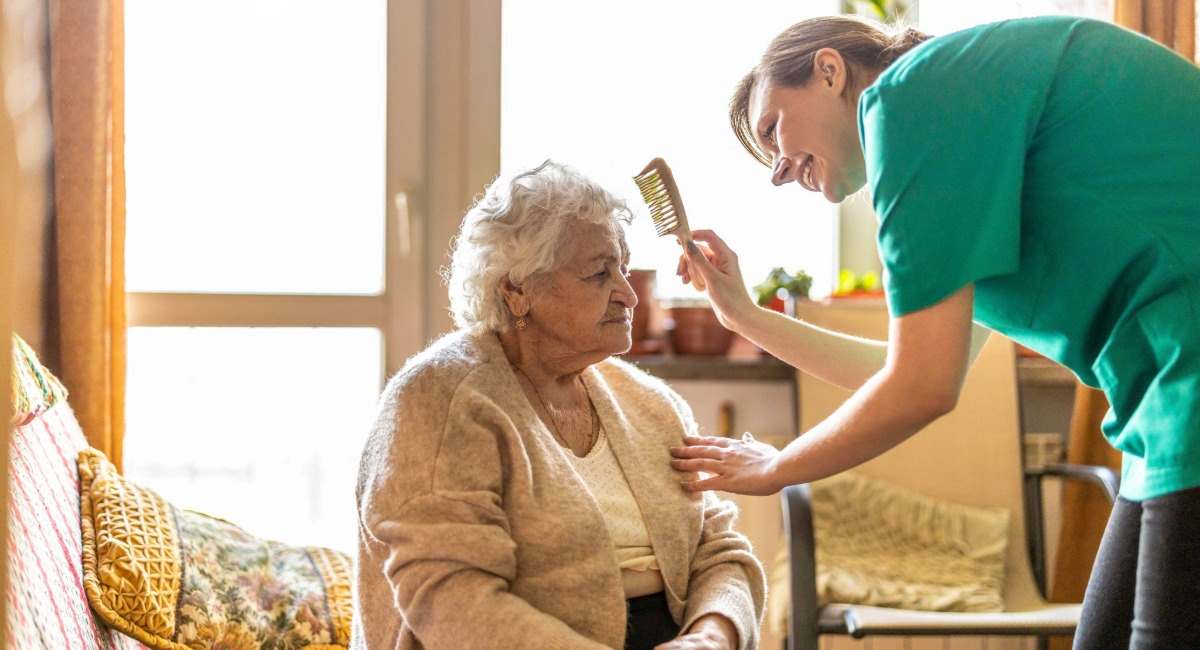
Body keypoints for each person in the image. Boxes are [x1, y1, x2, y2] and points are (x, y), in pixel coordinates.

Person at [668, 14, 1200, 648]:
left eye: (772, 130)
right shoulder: (958, 133)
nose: (781, 170)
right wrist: (745, 317)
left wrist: (779, 466)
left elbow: (921, 387)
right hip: (1163, 408)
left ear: (829, 71)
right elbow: (906, 367)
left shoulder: (913, 100)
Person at [352, 160, 765, 650]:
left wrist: (714, 635)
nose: (629, 295)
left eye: (624, 268)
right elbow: (453, 603)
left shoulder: (651, 406)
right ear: (517, 291)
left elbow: (718, 550)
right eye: (598, 274)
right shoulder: (440, 398)